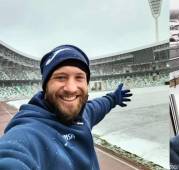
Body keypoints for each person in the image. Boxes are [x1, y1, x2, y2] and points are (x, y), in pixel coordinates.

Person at [0, 45, 132, 170]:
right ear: (45, 86)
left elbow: (99, 106)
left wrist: (113, 99)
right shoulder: (30, 133)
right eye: (61, 77)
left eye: (79, 77)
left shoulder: (83, 115)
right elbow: (11, 155)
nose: (71, 88)